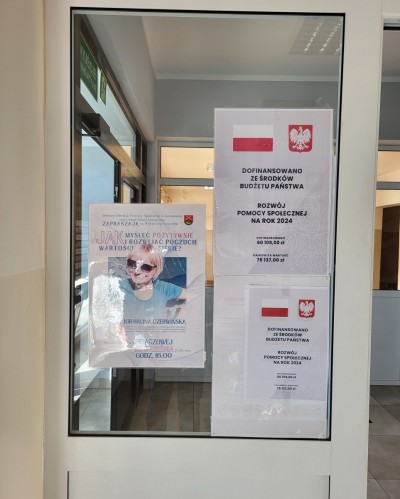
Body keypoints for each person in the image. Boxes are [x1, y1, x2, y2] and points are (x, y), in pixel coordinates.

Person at [119, 244, 186, 322]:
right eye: (132, 264)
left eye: (145, 267)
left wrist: (181, 317)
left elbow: (192, 295)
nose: (137, 271)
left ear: (156, 270)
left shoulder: (163, 288)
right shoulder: (120, 286)